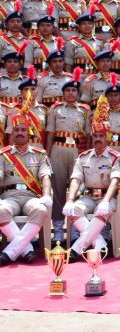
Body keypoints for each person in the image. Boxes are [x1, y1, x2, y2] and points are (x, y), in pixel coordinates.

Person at [62, 111, 120, 257]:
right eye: (95, 136)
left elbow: (115, 180)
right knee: (74, 209)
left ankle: (76, 249)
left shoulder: (116, 157)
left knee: (100, 211)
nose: (98, 139)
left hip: (107, 198)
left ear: (107, 137)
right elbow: (76, 179)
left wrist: (106, 201)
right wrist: (70, 200)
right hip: (88, 197)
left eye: (101, 136)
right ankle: (100, 244)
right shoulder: (83, 157)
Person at [0, 114, 52, 265]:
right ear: (12, 133)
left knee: (41, 210)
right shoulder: (4, 155)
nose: (20, 133)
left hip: (31, 196)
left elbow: (45, 177)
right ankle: (27, 249)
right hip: (10, 196)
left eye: (23, 129)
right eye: (16, 130)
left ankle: (10, 253)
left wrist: (47, 195)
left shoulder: (40, 154)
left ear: (29, 133)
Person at [45, 69, 89, 242]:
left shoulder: (84, 110)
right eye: (68, 90)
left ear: (78, 94)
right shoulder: (55, 109)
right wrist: (47, 156)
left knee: (76, 189)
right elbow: (49, 133)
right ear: (63, 93)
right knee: (58, 189)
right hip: (58, 149)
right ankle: (57, 228)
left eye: (74, 90)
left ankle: (75, 229)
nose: (71, 93)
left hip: (76, 151)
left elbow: (88, 135)